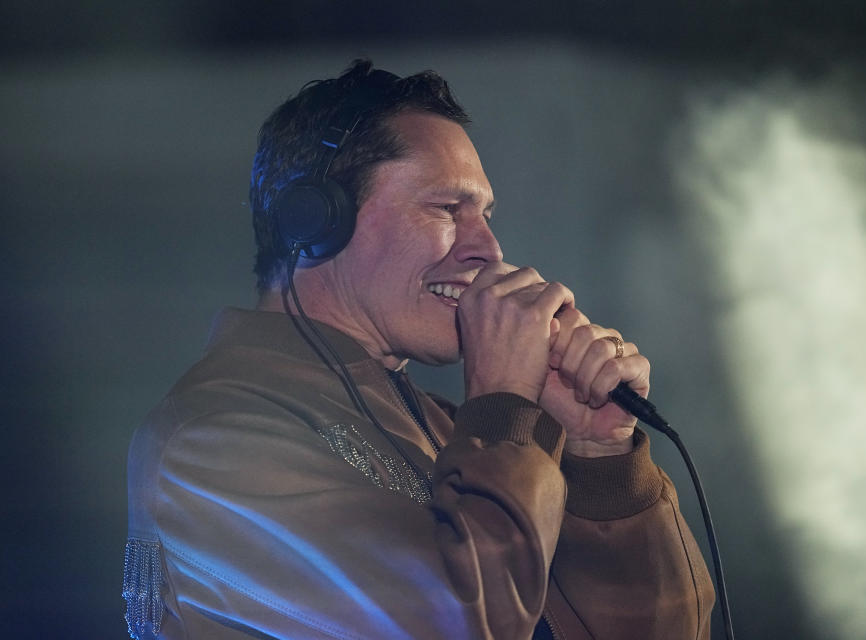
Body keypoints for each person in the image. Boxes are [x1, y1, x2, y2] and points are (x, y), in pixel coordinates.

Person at [123, 59, 714, 640]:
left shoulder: (444, 427)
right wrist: (504, 404)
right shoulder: (212, 440)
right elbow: (458, 625)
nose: (488, 247)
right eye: (446, 208)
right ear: (314, 220)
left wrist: (598, 458)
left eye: (484, 214)